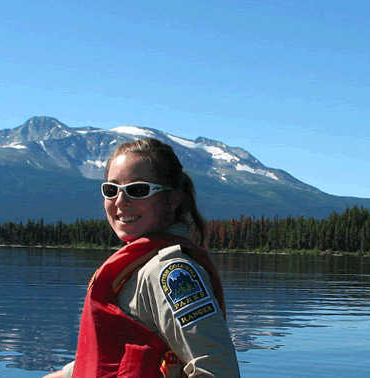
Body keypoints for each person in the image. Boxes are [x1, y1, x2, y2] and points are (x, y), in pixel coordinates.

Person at [43, 138, 240, 378]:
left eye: (138, 190)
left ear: (172, 200)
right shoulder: (138, 266)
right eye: (111, 190)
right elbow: (113, 355)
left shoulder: (172, 272)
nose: (121, 201)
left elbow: (217, 369)